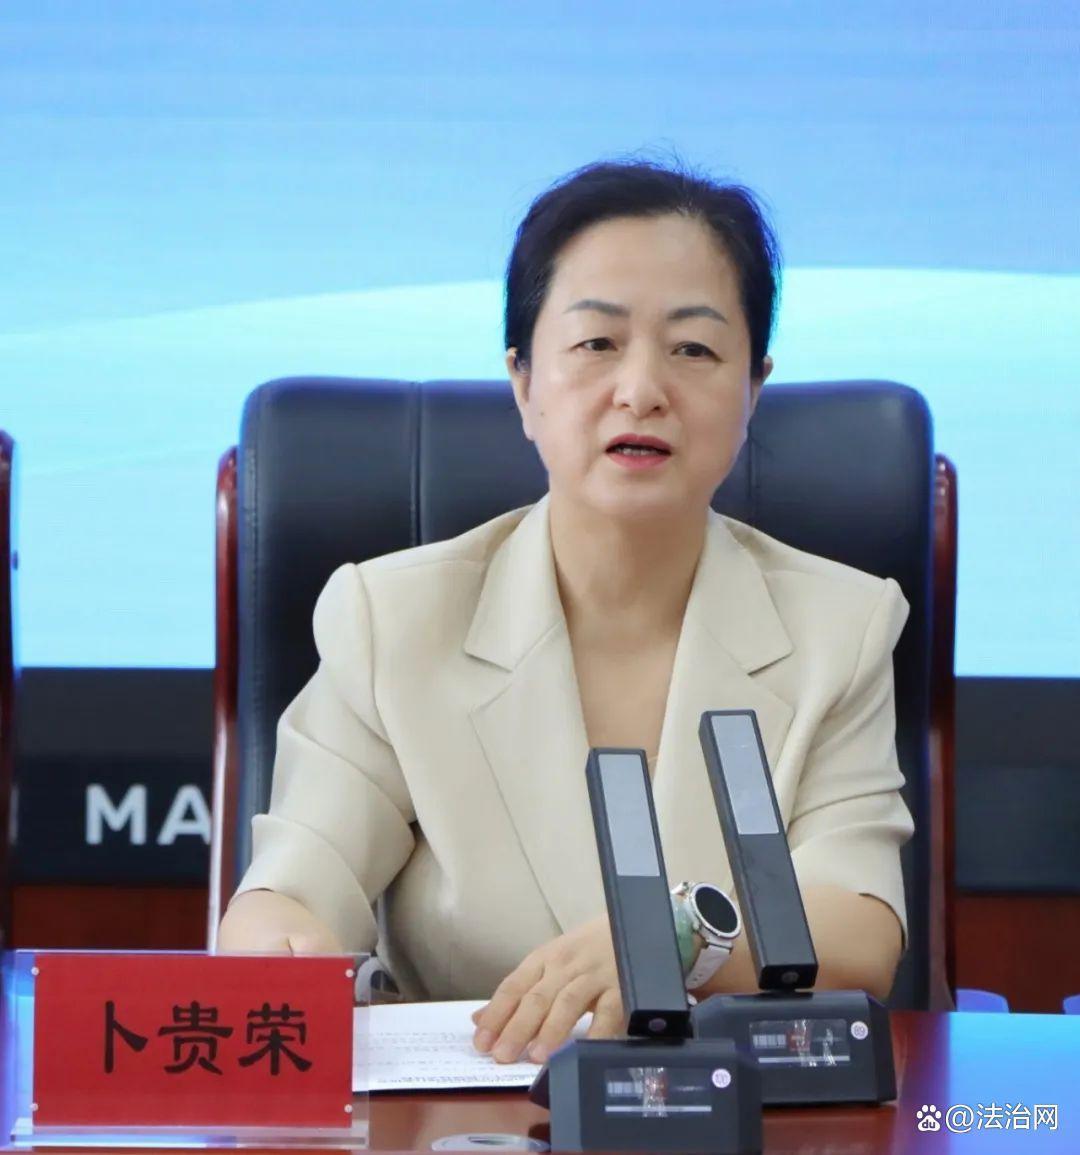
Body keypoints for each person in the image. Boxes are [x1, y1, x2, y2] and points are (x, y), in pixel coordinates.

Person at [218, 158, 914, 1067]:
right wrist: (279, 940)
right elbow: (300, 881)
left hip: (728, 1109)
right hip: (459, 1115)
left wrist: (672, 939)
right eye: (596, 343)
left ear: (754, 389)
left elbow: (860, 922)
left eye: (694, 349)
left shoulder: (840, 627)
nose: (642, 389)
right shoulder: (392, 621)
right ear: (523, 381)